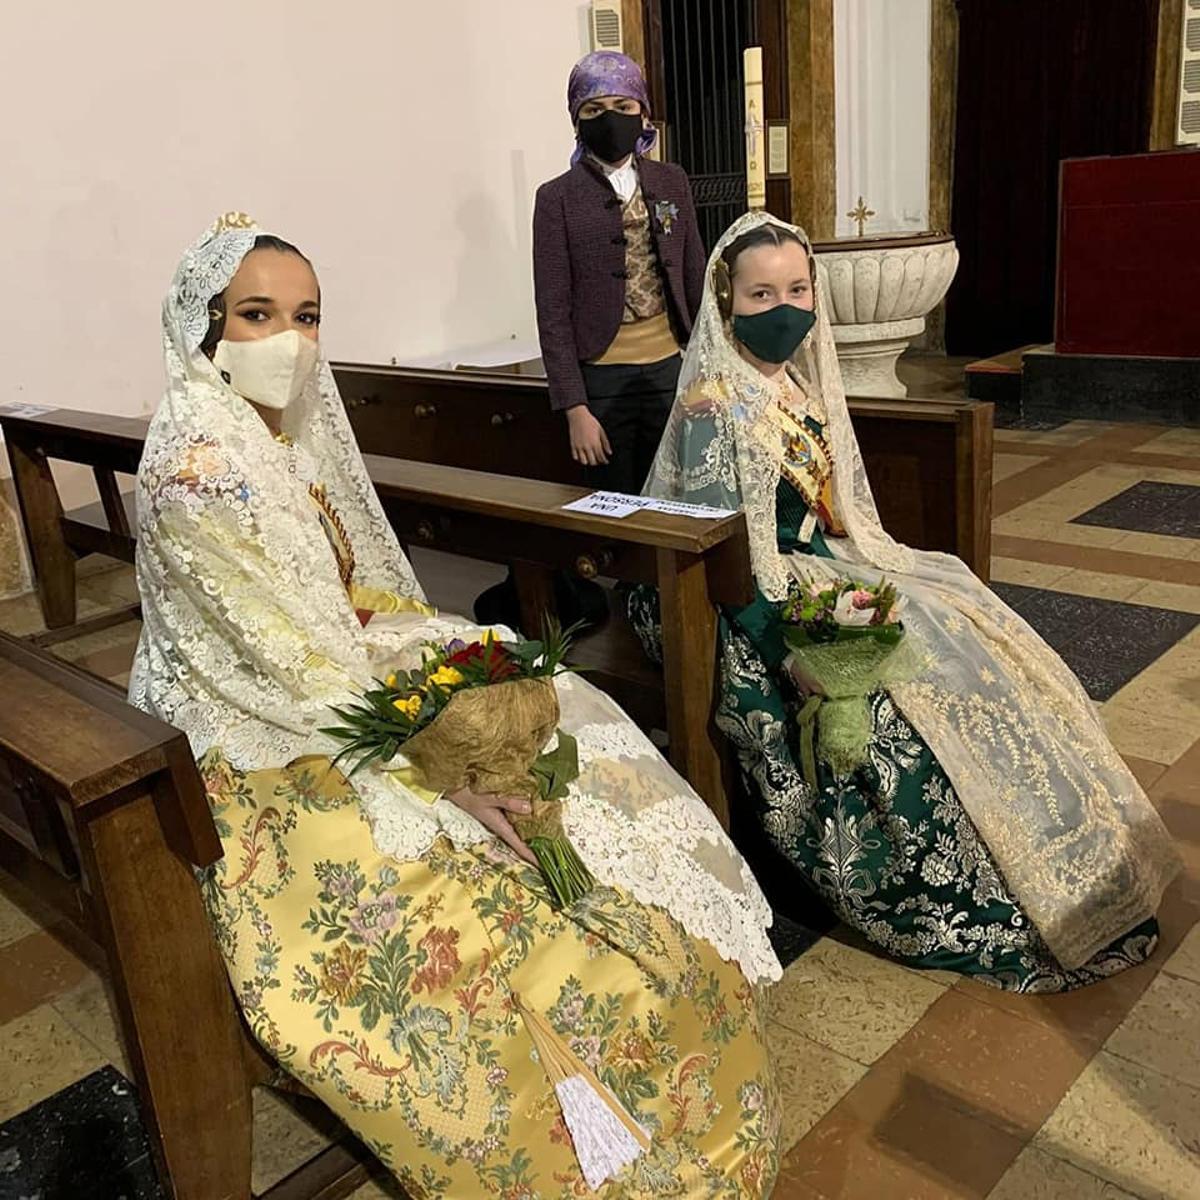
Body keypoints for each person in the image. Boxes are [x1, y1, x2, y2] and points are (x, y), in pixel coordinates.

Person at [129, 213, 781, 1198]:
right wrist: (442, 764)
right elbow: (290, 677)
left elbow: (333, 613)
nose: (290, 342)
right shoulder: (203, 473)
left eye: (308, 316)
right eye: (257, 315)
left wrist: (439, 666)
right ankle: (593, 1138)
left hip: (324, 686)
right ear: (204, 326)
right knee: (481, 903)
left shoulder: (266, 445)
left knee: (571, 732)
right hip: (269, 750)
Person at [632, 210, 1181, 993]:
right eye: (760, 295)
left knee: (975, 641)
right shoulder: (713, 410)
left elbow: (835, 510)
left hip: (829, 563)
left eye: (796, 289)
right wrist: (792, 652)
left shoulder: (794, 384)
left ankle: (1071, 855)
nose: (783, 308)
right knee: (909, 703)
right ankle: (977, 886)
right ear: (726, 305)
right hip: (748, 591)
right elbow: (728, 556)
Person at [475, 50, 705, 632]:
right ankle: (631, 615)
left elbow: (696, 276)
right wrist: (574, 406)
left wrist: (707, 366)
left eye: (623, 106)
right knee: (616, 501)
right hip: (601, 376)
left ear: (644, 112)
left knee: (673, 492)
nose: (612, 118)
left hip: (671, 365)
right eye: (596, 108)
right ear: (577, 119)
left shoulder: (671, 181)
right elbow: (551, 309)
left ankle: (670, 608)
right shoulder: (556, 198)